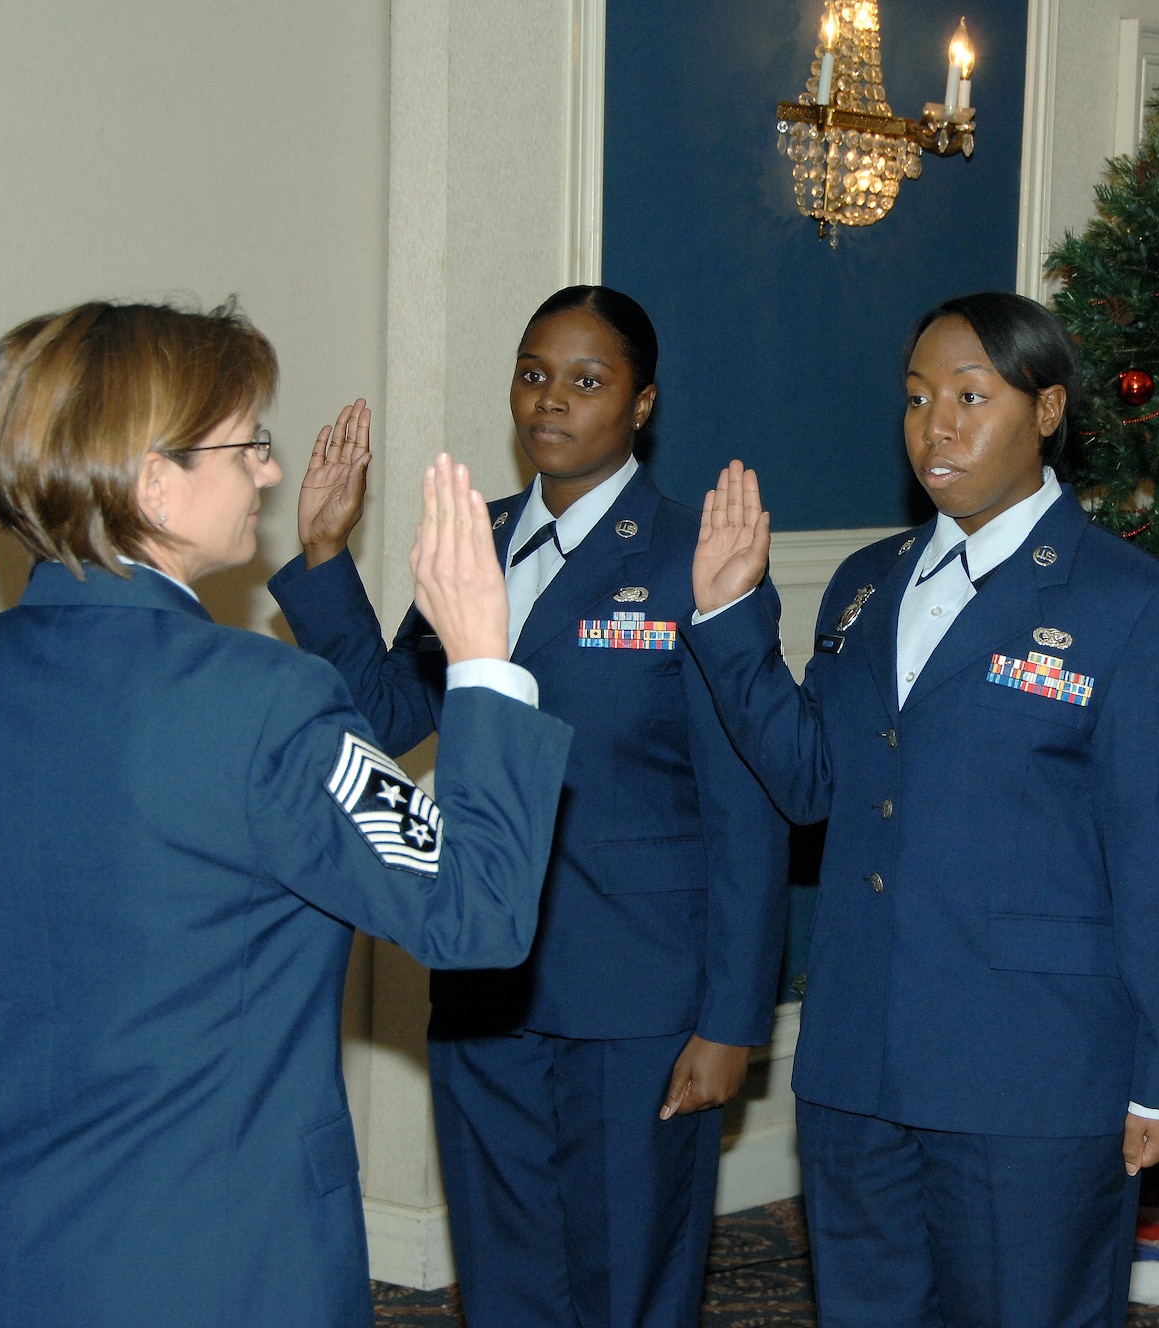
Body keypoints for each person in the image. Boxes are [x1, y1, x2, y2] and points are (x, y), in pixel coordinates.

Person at [0, 300, 573, 1328]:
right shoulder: (266, 703)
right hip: (227, 1267)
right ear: (154, 481)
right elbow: (475, 912)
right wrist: (484, 659)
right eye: (249, 445)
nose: (269, 474)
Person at [687, 291, 1159, 1328]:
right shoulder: (863, 584)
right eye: (918, 396)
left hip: (1028, 1072)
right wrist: (725, 614)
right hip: (856, 1058)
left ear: (1049, 409)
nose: (936, 425)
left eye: (971, 396)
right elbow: (810, 785)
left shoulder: (1129, 602)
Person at [269, 285, 788, 1327]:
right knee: (506, 1274)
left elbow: (747, 809)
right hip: (485, 981)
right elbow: (386, 709)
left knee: (626, 1279)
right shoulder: (482, 538)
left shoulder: (701, 554)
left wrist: (732, 1018)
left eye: (586, 380)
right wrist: (326, 555)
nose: (549, 400)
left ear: (641, 404)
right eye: (533, 373)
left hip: (639, 998)